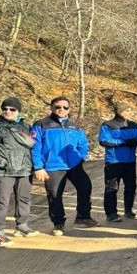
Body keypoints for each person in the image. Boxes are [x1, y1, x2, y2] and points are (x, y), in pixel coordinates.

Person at [31, 96, 98, 236]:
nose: (61, 109)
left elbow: (83, 144)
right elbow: (35, 147)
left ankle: (83, 217)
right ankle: (58, 224)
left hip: (74, 165)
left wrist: (81, 157)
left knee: (85, 187)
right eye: (58, 107)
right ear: (52, 108)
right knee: (55, 195)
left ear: (69, 109)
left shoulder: (74, 125)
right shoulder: (41, 124)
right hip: (53, 166)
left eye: (65, 107)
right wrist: (38, 167)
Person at [0, 97, 38, 246]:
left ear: (18, 111)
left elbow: (33, 146)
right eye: (5, 109)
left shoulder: (25, 126)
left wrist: (33, 166)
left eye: (12, 109)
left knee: (24, 198)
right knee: (1, 202)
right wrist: (3, 163)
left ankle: (22, 226)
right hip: (3, 172)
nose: (8, 111)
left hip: (24, 170)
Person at [98, 102, 137, 222]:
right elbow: (104, 140)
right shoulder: (108, 125)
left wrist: (134, 141)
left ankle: (129, 210)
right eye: (126, 110)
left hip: (130, 161)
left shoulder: (133, 124)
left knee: (131, 186)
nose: (128, 113)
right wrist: (123, 142)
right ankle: (111, 213)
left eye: (130, 111)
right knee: (112, 187)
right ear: (119, 111)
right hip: (113, 161)